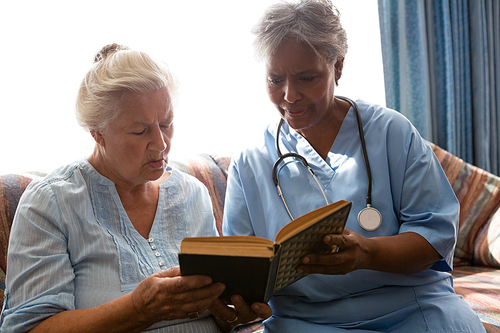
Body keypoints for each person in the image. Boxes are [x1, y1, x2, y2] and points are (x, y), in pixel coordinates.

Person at [220, 1, 487, 332]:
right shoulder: (250, 162)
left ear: (338, 67)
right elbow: (243, 268)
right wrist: (241, 303)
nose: (290, 95)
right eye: (276, 79)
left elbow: (436, 236)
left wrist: (368, 253)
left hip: (411, 307)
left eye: (306, 78)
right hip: (305, 321)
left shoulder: (391, 132)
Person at [0, 44, 269, 333]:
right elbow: (29, 329)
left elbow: (220, 311)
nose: (161, 144)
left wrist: (232, 313)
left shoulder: (193, 194)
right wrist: (139, 309)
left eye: (166, 123)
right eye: (140, 131)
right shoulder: (50, 203)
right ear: (97, 134)